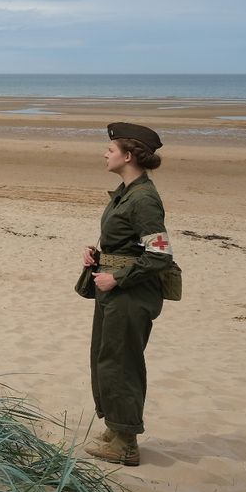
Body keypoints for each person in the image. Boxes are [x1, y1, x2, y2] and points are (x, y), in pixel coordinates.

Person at [81, 122, 172, 467]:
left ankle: (126, 443)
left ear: (129, 155)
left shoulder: (145, 199)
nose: (105, 153)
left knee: (122, 364)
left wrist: (118, 278)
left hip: (130, 294)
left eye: (111, 149)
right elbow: (128, 244)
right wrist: (97, 254)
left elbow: (161, 255)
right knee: (105, 358)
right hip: (114, 290)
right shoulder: (126, 191)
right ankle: (116, 428)